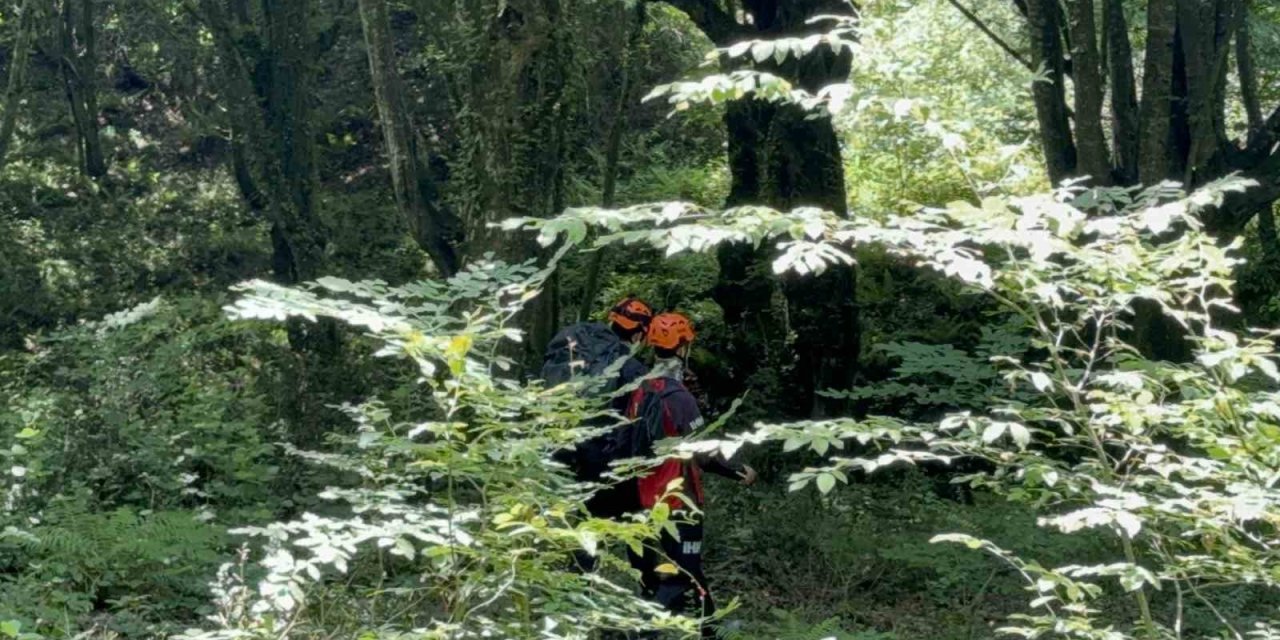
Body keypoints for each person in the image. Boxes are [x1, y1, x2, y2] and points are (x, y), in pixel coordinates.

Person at [626, 312, 756, 639]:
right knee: (681, 576)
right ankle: (646, 634)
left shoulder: (639, 389)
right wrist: (738, 471)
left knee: (689, 567)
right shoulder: (679, 397)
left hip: (644, 496)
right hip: (679, 500)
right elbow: (704, 454)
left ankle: (709, 630)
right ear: (683, 346)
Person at [542, 297, 654, 572]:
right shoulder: (632, 368)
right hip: (604, 456)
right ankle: (650, 587)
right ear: (640, 333)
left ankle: (574, 583)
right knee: (633, 519)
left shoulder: (579, 344)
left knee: (584, 520)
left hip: (564, 448)